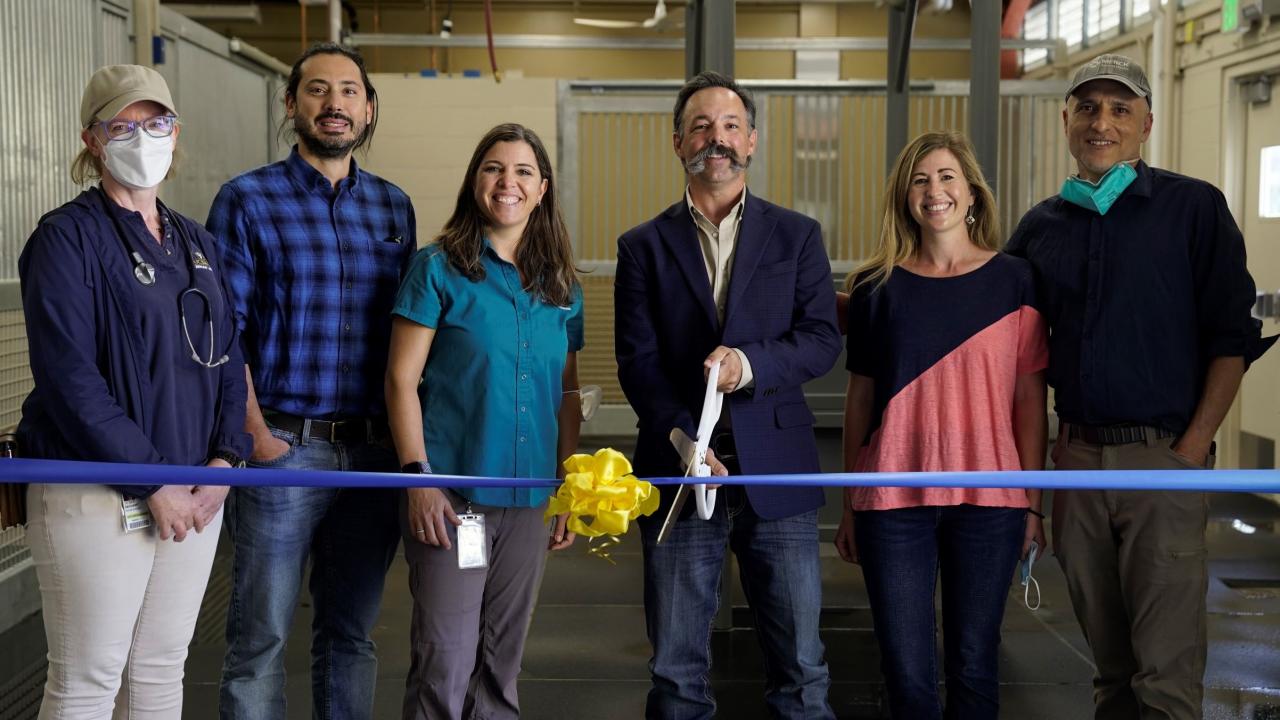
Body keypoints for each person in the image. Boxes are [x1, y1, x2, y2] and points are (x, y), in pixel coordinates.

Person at [1007, 53, 1274, 720]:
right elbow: (999, 336)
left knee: (1166, 672)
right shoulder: (1041, 229)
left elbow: (1230, 340)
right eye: (1089, 108)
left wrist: (1190, 453)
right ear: (1066, 120)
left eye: (1120, 109)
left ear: (1146, 123)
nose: (1103, 122)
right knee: (1110, 668)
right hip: (1076, 466)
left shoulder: (1193, 210)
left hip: (1164, 461)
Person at [18, 64, 250, 718]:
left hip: (197, 491)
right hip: (97, 491)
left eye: (156, 123)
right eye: (123, 125)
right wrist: (152, 481)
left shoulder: (197, 243)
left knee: (158, 670)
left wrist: (225, 463)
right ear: (92, 140)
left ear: (176, 133)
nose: (142, 137)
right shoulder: (65, 240)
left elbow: (228, 358)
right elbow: (69, 379)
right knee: (89, 678)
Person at [614, 71, 842, 720]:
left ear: (753, 141)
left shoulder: (797, 236)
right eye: (702, 126)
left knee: (801, 668)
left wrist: (750, 363)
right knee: (676, 672)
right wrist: (687, 441)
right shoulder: (641, 247)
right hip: (681, 473)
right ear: (677, 140)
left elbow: (822, 339)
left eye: (731, 126)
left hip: (781, 472)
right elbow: (639, 363)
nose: (718, 139)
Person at [207, 43, 416, 719]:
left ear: (369, 108)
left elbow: (408, 335)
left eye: (349, 91)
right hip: (283, 453)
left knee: (351, 636)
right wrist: (256, 437)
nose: (335, 104)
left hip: (371, 458)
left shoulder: (393, 208)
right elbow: (221, 333)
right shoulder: (246, 200)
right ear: (291, 104)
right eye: (318, 90)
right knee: (259, 640)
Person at [834, 130, 1048, 720]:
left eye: (947, 176)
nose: (935, 191)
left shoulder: (1016, 280)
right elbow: (860, 401)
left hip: (991, 500)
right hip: (893, 501)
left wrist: (1032, 503)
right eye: (920, 180)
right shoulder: (876, 287)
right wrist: (852, 503)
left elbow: (1029, 400)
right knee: (906, 674)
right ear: (905, 198)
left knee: (976, 665)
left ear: (972, 192)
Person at [385, 122, 581, 720]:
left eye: (523, 171)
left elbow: (567, 392)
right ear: (476, 180)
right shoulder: (438, 269)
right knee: (445, 656)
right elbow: (399, 382)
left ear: (542, 188)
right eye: (494, 168)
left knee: (502, 660)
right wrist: (420, 480)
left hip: (529, 500)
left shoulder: (561, 285)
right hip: (452, 499)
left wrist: (569, 485)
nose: (508, 182)